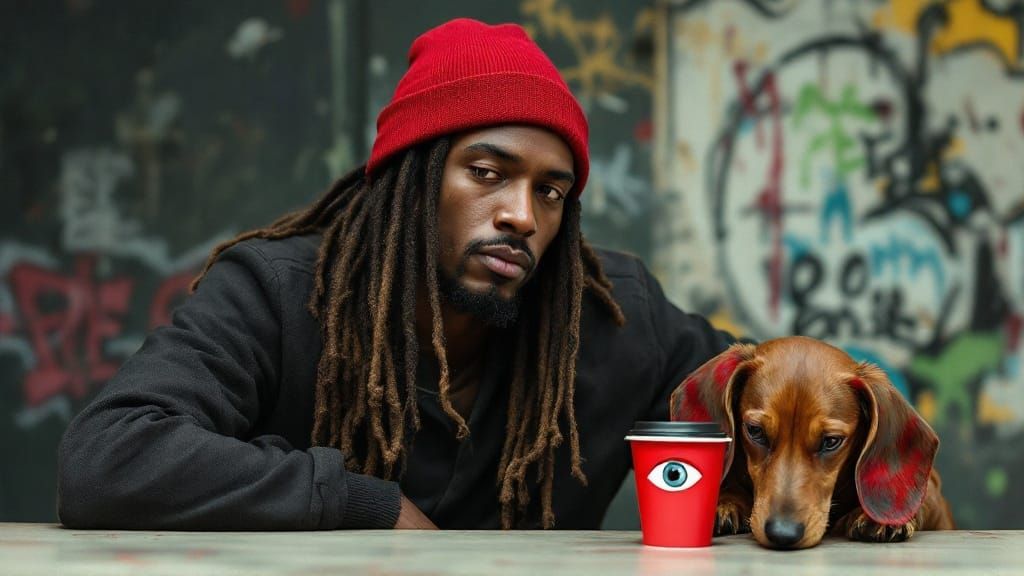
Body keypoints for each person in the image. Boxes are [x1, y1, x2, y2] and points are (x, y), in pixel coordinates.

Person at [57, 18, 733, 531]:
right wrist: (357, 500)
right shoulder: (277, 294)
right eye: (488, 174)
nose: (522, 215)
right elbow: (109, 457)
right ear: (411, 180)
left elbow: (772, 401)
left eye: (551, 192)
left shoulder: (614, 315)